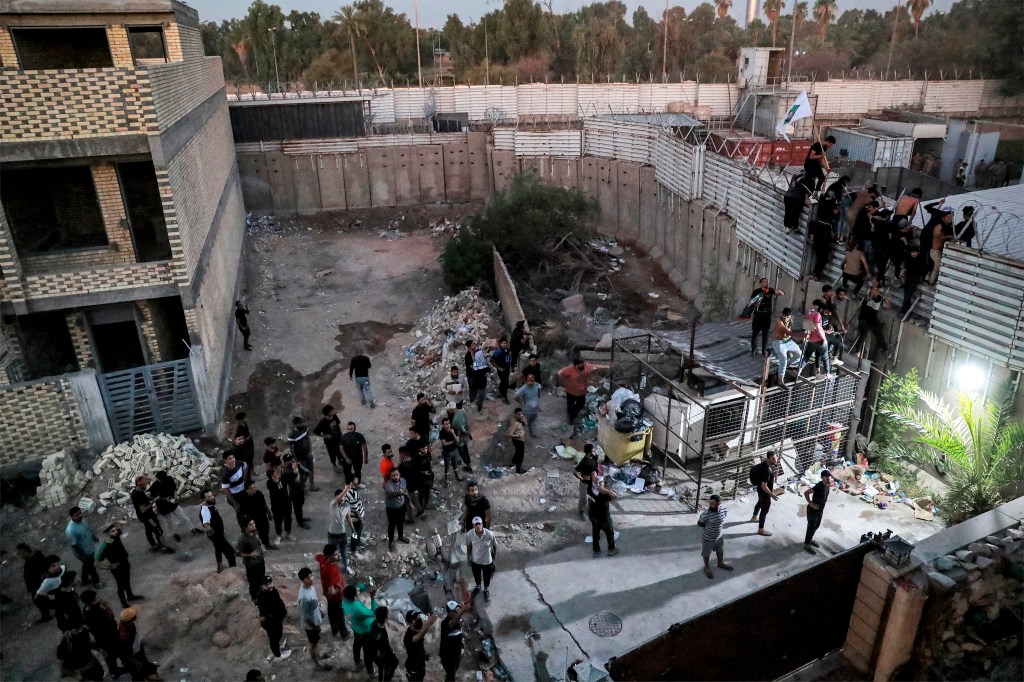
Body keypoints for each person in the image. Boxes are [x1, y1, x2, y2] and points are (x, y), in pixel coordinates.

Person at [81, 590, 128, 677]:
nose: (99, 598)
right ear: (92, 601)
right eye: (96, 598)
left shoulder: (87, 609)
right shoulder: (95, 614)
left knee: (111, 656)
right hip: (108, 638)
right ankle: (115, 671)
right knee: (113, 655)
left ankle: (115, 670)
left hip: (103, 638)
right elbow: (110, 617)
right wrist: (106, 605)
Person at [557, 359, 610, 435]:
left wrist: (607, 366)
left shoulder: (587, 366)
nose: (582, 366)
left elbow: (596, 366)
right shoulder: (569, 369)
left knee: (581, 403)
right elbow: (559, 373)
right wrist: (565, 379)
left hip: (581, 391)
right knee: (570, 404)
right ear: (575, 365)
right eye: (580, 365)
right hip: (571, 391)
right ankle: (570, 418)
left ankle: (573, 414)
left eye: (582, 364)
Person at [95, 522, 142, 608]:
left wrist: (113, 523)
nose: (116, 532)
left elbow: (124, 524)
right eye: (112, 531)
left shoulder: (116, 537)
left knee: (127, 581)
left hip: (125, 563)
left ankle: (130, 596)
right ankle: (124, 603)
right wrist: (109, 567)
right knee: (121, 586)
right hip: (117, 570)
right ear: (107, 533)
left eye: (115, 530)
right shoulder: (105, 547)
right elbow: (96, 563)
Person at [149, 470, 202, 541]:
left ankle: (193, 529)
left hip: (172, 502)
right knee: (169, 522)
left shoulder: (169, 479)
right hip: (163, 506)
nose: (158, 480)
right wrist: (163, 498)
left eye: (159, 479)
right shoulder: (154, 486)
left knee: (183, 516)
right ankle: (174, 534)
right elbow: (153, 497)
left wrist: (175, 497)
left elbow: (174, 489)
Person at [297, 566, 334, 671]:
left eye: (311, 575)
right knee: (312, 644)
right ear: (303, 580)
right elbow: (306, 616)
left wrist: (319, 611)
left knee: (316, 641)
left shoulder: (310, 587)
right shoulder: (304, 597)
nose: (311, 578)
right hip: (311, 625)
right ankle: (317, 663)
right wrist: (314, 626)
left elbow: (314, 604)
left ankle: (319, 654)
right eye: (308, 578)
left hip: (315, 620)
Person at [342, 583, 378, 676]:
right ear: (354, 596)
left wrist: (365, 585)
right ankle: (370, 671)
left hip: (356, 628)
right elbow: (373, 613)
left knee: (357, 644)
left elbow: (355, 592)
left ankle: (357, 660)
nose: (359, 590)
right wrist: (373, 598)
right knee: (368, 652)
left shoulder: (345, 602)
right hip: (365, 631)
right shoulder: (357, 608)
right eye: (357, 591)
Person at [316, 544, 350, 640]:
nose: (338, 555)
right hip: (335, 597)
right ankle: (343, 632)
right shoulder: (330, 571)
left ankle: (334, 629)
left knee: (331, 610)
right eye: (335, 554)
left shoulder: (323, 559)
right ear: (329, 556)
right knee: (339, 613)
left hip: (328, 595)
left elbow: (317, 557)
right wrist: (340, 587)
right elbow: (332, 591)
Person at [131, 476, 173, 554]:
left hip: (142, 517)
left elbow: (143, 500)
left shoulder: (135, 492)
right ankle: (164, 547)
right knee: (158, 530)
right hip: (148, 517)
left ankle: (154, 545)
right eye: (145, 485)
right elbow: (143, 509)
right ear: (140, 485)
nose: (146, 486)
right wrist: (153, 501)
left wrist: (151, 498)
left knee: (148, 530)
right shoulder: (138, 495)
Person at [199, 488, 237, 572]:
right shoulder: (205, 511)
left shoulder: (209, 504)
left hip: (218, 534)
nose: (212, 497)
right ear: (204, 499)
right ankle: (233, 571)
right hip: (217, 536)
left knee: (218, 549)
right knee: (230, 553)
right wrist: (216, 536)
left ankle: (219, 567)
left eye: (212, 495)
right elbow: (207, 526)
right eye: (209, 497)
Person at [256, 575, 292, 662]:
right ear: (262, 586)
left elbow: (279, 602)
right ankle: (277, 655)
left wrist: (282, 612)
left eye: (270, 583)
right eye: (267, 584)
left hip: (277, 619)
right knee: (273, 638)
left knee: (278, 635)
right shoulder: (261, 596)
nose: (269, 586)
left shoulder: (274, 591)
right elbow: (266, 610)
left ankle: (275, 650)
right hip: (270, 621)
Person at [65, 506, 102, 588]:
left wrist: (94, 537)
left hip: (89, 548)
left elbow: (87, 529)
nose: (80, 515)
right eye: (77, 515)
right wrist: (83, 555)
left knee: (87, 565)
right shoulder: (70, 530)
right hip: (83, 552)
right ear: (72, 516)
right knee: (92, 567)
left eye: (80, 513)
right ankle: (96, 582)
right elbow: (74, 545)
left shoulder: (83, 520)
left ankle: (84, 580)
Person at [697, 494, 733, 579]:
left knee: (720, 550)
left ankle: (720, 563)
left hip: (719, 536)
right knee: (706, 553)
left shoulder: (723, 510)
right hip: (708, 538)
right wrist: (708, 526)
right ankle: (706, 567)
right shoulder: (706, 514)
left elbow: (723, 517)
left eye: (713, 504)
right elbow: (699, 523)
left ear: (718, 504)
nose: (710, 505)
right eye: (710, 503)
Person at [746, 278, 784, 356]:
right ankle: (753, 350)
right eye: (764, 282)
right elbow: (752, 301)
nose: (765, 283)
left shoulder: (770, 290)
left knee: (765, 334)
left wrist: (777, 292)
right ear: (760, 283)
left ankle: (764, 351)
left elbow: (780, 293)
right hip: (758, 315)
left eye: (766, 281)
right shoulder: (756, 291)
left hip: (766, 315)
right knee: (755, 333)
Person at [851, 280, 891, 356]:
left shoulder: (879, 298)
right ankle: (857, 351)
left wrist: (885, 298)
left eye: (877, 290)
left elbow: (888, 306)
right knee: (862, 335)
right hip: (864, 319)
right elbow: (872, 303)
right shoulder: (867, 297)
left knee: (880, 333)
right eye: (874, 290)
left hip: (873, 320)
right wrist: (873, 292)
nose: (876, 292)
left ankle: (884, 349)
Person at [466, 516, 497, 601]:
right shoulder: (470, 534)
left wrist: (494, 557)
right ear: (473, 526)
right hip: (475, 559)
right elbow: (469, 547)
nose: (478, 526)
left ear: (482, 524)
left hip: (487, 560)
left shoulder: (489, 534)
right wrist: (468, 558)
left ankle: (486, 589)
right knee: (476, 575)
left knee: (487, 576)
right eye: (476, 524)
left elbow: (495, 545)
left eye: (479, 524)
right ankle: (478, 586)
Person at [588, 473, 620, 557]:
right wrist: (605, 490)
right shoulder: (603, 495)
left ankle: (596, 550)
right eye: (602, 483)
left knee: (595, 531)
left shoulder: (589, 488)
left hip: (592, 515)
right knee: (610, 532)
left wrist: (595, 479)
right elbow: (615, 497)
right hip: (603, 518)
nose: (604, 484)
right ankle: (612, 549)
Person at [439, 600, 471, 681]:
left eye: (457, 609)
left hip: (457, 653)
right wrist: (462, 610)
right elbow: (453, 622)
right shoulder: (445, 623)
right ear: (449, 613)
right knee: (451, 676)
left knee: (454, 670)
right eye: (454, 611)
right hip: (448, 657)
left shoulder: (457, 620)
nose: (457, 612)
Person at [17, 543, 50, 621]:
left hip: (36, 584)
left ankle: (46, 615)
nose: (19, 556)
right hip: (37, 583)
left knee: (38, 600)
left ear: (24, 551)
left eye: (19, 553)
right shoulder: (37, 554)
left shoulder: (30, 562)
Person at [236, 517, 266, 602]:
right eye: (251, 524)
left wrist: (261, 546)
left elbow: (257, 539)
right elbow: (237, 553)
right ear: (245, 527)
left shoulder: (255, 532)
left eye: (254, 523)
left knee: (261, 580)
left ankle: (262, 596)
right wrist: (250, 555)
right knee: (253, 583)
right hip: (251, 565)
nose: (253, 525)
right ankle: (254, 599)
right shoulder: (243, 539)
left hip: (260, 561)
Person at [749, 452, 780, 537]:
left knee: (759, 502)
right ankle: (761, 529)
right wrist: (772, 495)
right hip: (764, 492)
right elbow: (764, 486)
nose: (775, 460)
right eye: (773, 458)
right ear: (768, 459)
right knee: (764, 511)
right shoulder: (766, 470)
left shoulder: (763, 464)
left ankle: (754, 517)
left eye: (776, 458)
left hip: (760, 490)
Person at [327, 486, 355, 575]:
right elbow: (339, 498)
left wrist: (353, 529)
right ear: (336, 498)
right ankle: (330, 569)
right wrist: (345, 490)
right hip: (332, 535)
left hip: (342, 534)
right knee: (332, 553)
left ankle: (346, 566)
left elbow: (348, 518)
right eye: (341, 496)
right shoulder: (333, 504)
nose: (343, 498)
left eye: (344, 496)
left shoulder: (347, 506)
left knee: (343, 552)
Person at [403, 610, 437, 681]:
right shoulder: (408, 636)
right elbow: (418, 637)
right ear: (410, 622)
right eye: (416, 618)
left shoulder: (417, 629)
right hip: (413, 669)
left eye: (419, 616)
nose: (419, 619)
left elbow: (421, 632)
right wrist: (428, 623)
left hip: (420, 666)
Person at [241, 480, 276, 549]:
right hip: (253, 520)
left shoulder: (259, 494)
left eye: (254, 487)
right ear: (247, 490)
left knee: (265, 530)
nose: (254, 489)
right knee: (255, 534)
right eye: (251, 488)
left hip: (262, 516)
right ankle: (258, 547)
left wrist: (269, 513)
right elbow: (244, 512)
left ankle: (266, 543)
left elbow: (264, 504)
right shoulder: (244, 499)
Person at [218, 452, 250, 528]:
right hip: (235, 495)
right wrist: (234, 502)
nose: (233, 460)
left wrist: (245, 480)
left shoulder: (240, 463)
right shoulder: (225, 474)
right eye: (230, 459)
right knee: (240, 512)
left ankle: (251, 525)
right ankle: (243, 528)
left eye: (233, 457)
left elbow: (246, 467)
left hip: (243, 491)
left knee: (248, 508)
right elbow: (226, 490)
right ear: (225, 461)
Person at [771, 308, 802, 386]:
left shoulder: (792, 318)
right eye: (784, 316)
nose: (786, 318)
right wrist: (802, 336)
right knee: (783, 360)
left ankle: (787, 365)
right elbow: (787, 332)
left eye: (787, 316)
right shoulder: (779, 321)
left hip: (788, 341)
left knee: (799, 355)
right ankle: (780, 380)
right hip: (779, 342)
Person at [799, 302, 831, 377]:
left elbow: (806, 326)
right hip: (819, 339)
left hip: (811, 339)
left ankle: (799, 370)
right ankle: (827, 373)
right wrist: (824, 339)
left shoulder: (809, 314)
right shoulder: (818, 315)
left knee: (806, 355)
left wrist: (806, 337)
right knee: (825, 356)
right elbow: (819, 328)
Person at [804, 470, 832, 551]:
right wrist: (810, 503)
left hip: (820, 510)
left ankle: (810, 539)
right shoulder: (819, 486)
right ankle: (806, 544)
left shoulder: (827, 485)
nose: (828, 478)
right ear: (822, 477)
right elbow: (806, 493)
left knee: (816, 526)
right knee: (811, 527)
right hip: (812, 510)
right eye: (826, 476)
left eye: (829, 476)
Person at [384, 469, 412, 550]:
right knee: (391, 525)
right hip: (391, 509)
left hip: (401, 506)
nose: (396, 477)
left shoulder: (403, 480)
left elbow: (405, 490)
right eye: (393, 475)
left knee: (400, 522)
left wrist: (410, 502)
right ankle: (391, 541)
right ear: (390, 476)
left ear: (399, 474)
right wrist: (400, 493)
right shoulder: (388, 485)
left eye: (397, 475)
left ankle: (400, 536)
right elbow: (392, 493)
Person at [287, 416, 316, 490]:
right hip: (300, 458)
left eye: (301, 422)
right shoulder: (291, 435)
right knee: (303, 473)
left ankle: (312, 486)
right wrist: (296, 460)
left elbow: (308, 439)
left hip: (308, 454)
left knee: (311, 469)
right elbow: (292, 449)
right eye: (299, 423)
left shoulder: (305, 429)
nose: (301, 424)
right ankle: (301, 486)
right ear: (295, 424)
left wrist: (310, 451)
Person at [282, 454, 311, 529]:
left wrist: (299, 467)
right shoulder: (286, 472)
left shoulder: (296, 466)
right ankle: (300, 522)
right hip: (294, 492)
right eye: (289, 460)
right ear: (285, 462)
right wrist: (296, 470)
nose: (291, 461)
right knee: (297, 507)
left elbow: (307, 472)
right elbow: (297, 480)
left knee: (301, 504)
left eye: (292, 459)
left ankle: (301, 518)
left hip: (300, 489)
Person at [370, 606, 398, 681]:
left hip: (374, 652)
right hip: (382, 654)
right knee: (394, 663)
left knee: (380, 667)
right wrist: (391, 652)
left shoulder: (373, 624)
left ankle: (381, 677)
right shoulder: (383, 634)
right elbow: (386, 647)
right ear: (386, 619)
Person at [266, 465, 293, 545]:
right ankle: (279, 535)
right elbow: (276, 492)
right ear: (272, 475)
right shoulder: (270, 483)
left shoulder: (283, 479)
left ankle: (288, 533)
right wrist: (277, 481)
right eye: (276, 472)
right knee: (278, 521)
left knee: (288, 519)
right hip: (277, 506)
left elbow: (291, 477)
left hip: (286, 504)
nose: (278, 472)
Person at [928, 207, 954, 286]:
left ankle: (931, 283)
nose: (950, 219)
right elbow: (937, 237)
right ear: (943, 218)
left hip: (940, 251)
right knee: (942, 268)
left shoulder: (947, 227)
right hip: (935, 252)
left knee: (936, 269)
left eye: (951, 217)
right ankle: (945, 285)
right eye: (948, 217)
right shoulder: (939, 227)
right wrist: (948, 236)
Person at [35, 556, 65, 623]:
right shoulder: (47, 582)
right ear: (47, 570)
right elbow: (37, 596)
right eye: (53, 566)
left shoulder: (62, 569)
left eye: (57, 564)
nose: (57, 566)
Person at [397, 447, 423, 522]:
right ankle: (420, 509)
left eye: (400, 454)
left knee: (407, 503)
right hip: (414, 485)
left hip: (407, 487)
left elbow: (399, 477)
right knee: (414, 498)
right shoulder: (413, 461)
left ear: (402, 454)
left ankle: (411, 518)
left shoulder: (402, 466)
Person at [314, 404, 344, 471]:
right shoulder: (323, 422)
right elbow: (315, 432)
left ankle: (340, 460)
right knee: (332, 454)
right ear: (328, 413)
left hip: (338, 438)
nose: (334, 411)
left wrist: (340, 433)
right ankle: (334, 465)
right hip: (330, 442)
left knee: (340, 451)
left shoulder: (334, 416)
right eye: (332, 410)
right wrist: (325, 436)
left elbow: (338, 424)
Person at [339, 421, 369, 487]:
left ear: (355, 428)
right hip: (347, 458)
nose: (349, 430)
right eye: (348, 429)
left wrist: (366, 458)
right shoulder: (344, 437)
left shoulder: (360, 436)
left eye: (351, 429)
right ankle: (348, 485)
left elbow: (365, 447)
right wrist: (346, 458)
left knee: (357, 471)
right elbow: (341, 448)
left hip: (358, 458)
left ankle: (357, 484)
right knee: (347, 472)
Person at [573, 444, 599, 520]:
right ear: (588, 453)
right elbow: (574, 471)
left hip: (593, 483)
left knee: (592, 498)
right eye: (593, 450)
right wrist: (581, 477)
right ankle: (581, 511)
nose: (595, 451)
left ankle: (590, 511)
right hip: (585, 484)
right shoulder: (584, 462)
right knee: (583, 499)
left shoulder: (595, 457)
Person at [513, 373, 543, 438]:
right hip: (528, 409)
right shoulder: (524, 388)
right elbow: (515, 397)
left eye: (532, 381)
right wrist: (522, 402)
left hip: (535, 407)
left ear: (534, 380)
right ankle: (521, 430)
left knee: (533, 418)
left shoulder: (538, 385)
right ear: (526, 381)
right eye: (529, 381)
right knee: (525, 420)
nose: (530, 383)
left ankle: (530, 427)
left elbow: (539, 392)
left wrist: (537, 399)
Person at [900, 243, 924, 316]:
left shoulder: (920, 260)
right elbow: (906, 267)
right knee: (907, 296)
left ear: (918, 252)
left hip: (914, 279)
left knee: (907, 296)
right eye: (912, 252)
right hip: (908, 279)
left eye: (915, 252)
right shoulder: (909, 259)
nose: (913, 254)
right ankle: (904, 312)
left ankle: (904, 312)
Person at [438, 416, 462, 486]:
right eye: (446, 424)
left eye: (448, 423)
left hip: (454, 450)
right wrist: (453, 441)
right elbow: (444, 443)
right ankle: (446, 479)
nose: (448, 425)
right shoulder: (442, 432)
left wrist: (453, 433)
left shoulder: (454, 429)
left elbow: (457, 440)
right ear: (443, 425)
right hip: (447, 452)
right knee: (447, 466)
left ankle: (457, 475)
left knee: (455, 464)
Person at [450, 402, 473, 473]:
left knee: (462, 451)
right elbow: (466, 422)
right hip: (465, 436)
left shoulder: (455, 420)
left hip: (460, 438)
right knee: (464, 450)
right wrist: (469, 433)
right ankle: (464, 462)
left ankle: (468, 467)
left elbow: (461, 430)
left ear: (452, 409)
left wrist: (469, 434)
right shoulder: (462, 411)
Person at [491, 337, 513, 404]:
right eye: (502, 343)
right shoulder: (498, 351)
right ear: (500, 344)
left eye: (505, 343)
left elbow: (509, 357)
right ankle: (504, 397)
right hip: (501, 369)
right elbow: (491, 360)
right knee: (505, 383)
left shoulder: (507, 350)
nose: (504, 344)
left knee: (505, 381)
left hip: (507, 368)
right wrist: (498, 368)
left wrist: (510, 364)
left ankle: (500, 392)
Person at [506, 408, 527, 474]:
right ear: (515, 414)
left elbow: (525, 424)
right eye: (518, 414)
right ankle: (518, 469)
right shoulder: (514, 423)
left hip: (520, 439)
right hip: (518, 441)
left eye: (521, 414)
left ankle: (512, 463)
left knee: (517, 452)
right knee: (521, 455)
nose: (520, 415)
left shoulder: (520, 419)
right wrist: (517, 436)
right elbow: (508, 434)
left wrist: (523, 420)